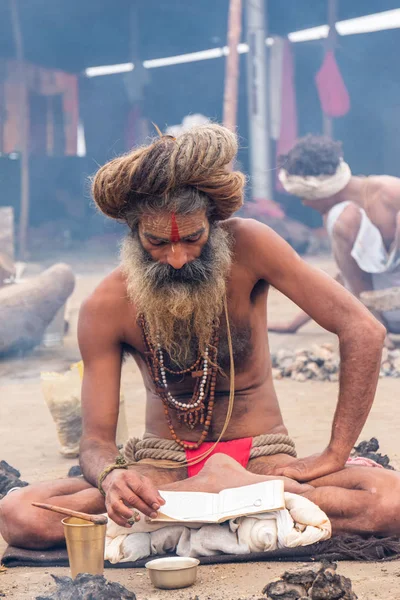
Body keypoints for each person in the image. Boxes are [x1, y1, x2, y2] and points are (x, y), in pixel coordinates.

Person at [1, 125, 399, 551]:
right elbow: (97, 440)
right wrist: (113, 476)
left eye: (193, 238)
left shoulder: (251, 246)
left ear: (215, 222)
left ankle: (182, 518)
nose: (176, 258)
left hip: (262, 461)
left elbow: (363, 328)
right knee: (20, 515)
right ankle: (243, 506)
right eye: (156, 242)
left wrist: (335, 454)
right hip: (164, 467)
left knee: (392, 503)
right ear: (133, 233)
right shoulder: (105, 306)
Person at [269, 135, 400, 343]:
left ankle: (375, 326)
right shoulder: (346, 216)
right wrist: (295, 323)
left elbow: (350, 283)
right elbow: (345, 280)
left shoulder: (390, 194)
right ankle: (376, 326)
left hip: (382, 318)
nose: (304, 204)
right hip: (382, 318)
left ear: (321, 192)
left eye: (304, 197)